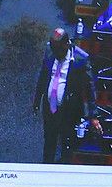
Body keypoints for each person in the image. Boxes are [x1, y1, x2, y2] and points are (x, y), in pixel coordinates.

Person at [31, 27, 96, 164]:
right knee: (49, 141)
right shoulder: (50, 51)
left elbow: (90, 88)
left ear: (66, 45)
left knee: (67, 145)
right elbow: (43, 77)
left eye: (58, 50)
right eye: (53, 49)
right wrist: (37, 100)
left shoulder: (81, 59)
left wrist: (93, 115)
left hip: (69, 110)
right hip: (50, 108)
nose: (55, 53)